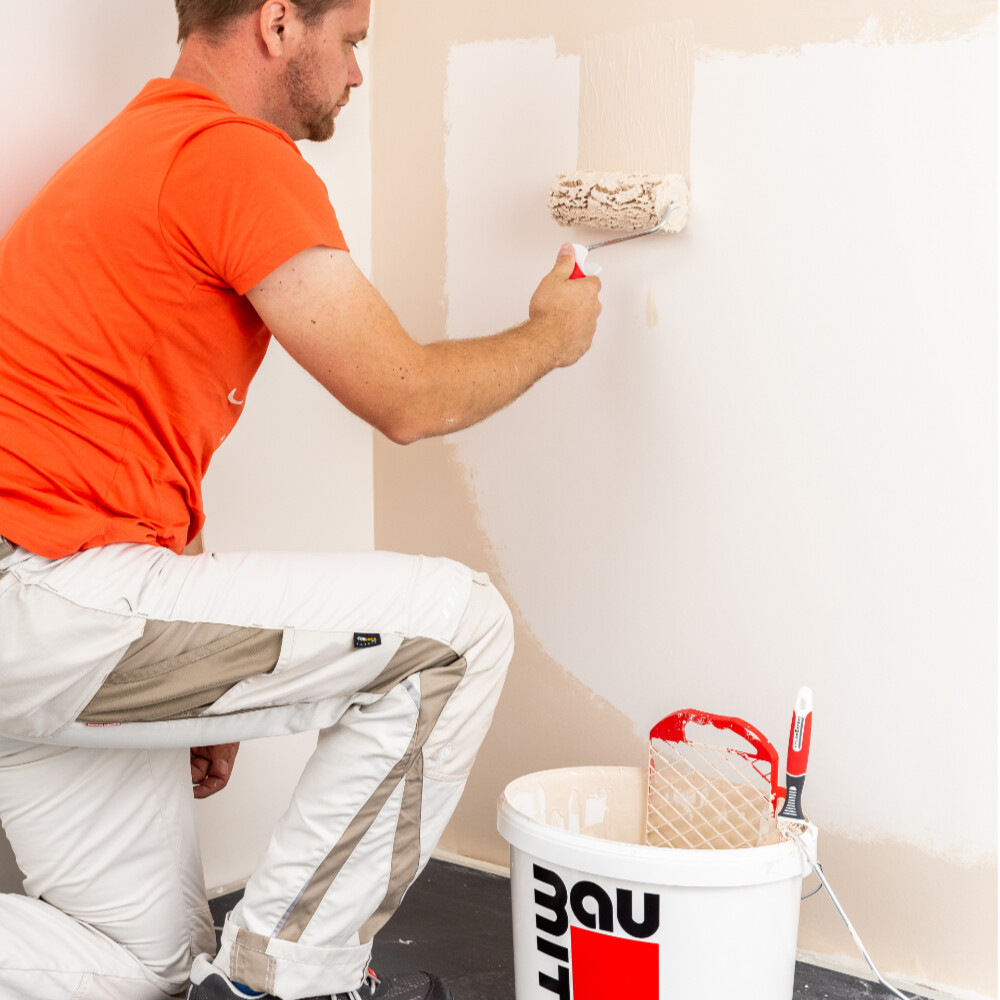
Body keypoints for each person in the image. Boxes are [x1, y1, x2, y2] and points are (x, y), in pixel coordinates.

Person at [0, 0, 601, 998]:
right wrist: (553, 334)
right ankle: (286, 984)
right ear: (279, 24)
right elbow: (407, 397)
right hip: (52, 601)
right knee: (453, 632)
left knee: (146, 969)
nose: (358, 73)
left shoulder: (133, 151)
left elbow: (106, 454)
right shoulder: (230, 153)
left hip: (49, 614)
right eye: (351, 40)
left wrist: (196, 678)